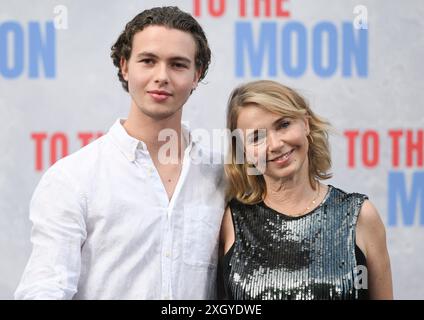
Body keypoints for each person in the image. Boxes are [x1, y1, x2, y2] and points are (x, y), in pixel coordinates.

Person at [15, 6, 225, 299]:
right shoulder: (73, 179)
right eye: (148, 61)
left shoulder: (222, 177)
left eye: (178, 64)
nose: (161, 76)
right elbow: (44, 289)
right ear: (125, 66)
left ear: (196, 75)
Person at [219, 80, 393, 300]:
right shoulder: (230, 221)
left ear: (306, 124)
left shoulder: (360, 215)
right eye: (257, 137)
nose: (275, 144)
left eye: (283, 124)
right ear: (243, 151)